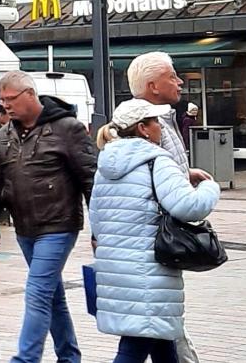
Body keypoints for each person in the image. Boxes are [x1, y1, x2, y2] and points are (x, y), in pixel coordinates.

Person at [0, 71, 98, 363]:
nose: (5, 106)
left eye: (10, 99)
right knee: (52, 295)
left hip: (59, 224)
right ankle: (69, 357)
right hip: (25, 227)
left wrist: (100, 230)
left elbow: (91, 180)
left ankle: (25, 359)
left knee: (37, 292)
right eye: (2, 100)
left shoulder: (67, 128)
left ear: (29, 94)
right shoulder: (6, 133)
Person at [89, 99, 221, 363]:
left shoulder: (105, 166)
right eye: (156, 122)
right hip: (149, 271)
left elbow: (97, 220)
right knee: (136, 344)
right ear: (143, 128)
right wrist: (210, 187)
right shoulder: (157, 160)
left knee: (160, 340)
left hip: (116, 269)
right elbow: (189, 206)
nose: (161, 128)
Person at [127, 52, 211, 363]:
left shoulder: (163, 119)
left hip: (160, 237)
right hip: (155, 237)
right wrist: (203, 193)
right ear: (153, 86)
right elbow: (151, 181)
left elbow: (161, 171)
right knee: (158, 324)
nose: (179, 82)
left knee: (162, 323)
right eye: (172, 76)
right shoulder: (147, 126)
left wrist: (183, 173)